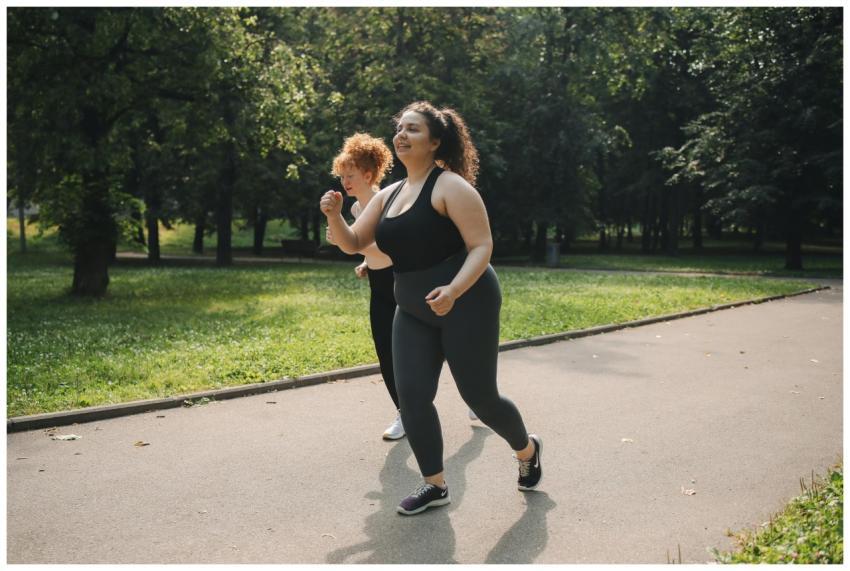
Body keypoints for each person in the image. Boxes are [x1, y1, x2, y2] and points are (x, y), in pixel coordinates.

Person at [320, 101, 542, 516]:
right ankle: (435, 484)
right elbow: (351, 242)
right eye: (400, 128)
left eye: (414, 130)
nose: (402, 135)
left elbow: (482, 247)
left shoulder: (451, 187)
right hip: (413, 308)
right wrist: (334, 216)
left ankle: (526, 448)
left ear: (435, 141)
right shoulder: (387, 195)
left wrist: (454, 290)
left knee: (481, 396)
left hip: (467, 301)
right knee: (413, 396)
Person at [328, 133, 479, 441]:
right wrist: (365, 262)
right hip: (378, 287)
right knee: (386, 354)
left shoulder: (389, 201)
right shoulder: (357, 211)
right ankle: (404, 413)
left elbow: (392, 247)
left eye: (350, 175)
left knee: (442, 350)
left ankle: (475, 396)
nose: (345, 181)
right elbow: (369, 248)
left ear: (368, 175)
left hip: (401, 284)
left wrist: (359, 250)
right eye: (342, 176)